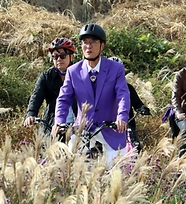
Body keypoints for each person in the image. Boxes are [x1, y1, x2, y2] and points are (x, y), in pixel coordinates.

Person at [53, 23, 131, 164]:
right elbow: (63, 99)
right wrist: (59, 121)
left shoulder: (116, 68)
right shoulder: (73, 71)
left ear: (102, 45)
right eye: (85, 42)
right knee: (72, 164)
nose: (88, 46)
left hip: (110, 127)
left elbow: (123, 94)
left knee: (115, 168)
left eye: (93, 42)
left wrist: (122, 116)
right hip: (83, 128)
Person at [23, 37, 77, 136]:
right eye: (55, 56)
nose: (59, 59)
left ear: (72, 57)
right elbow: (36, 96)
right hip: (52, 124)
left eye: (63, 56)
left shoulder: (80, 74)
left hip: (76, 125)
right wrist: (31, 114)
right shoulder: (46, 76)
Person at [107, 56, 152, 152]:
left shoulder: (128, 88)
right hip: (107, 125)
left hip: (127, 125)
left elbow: (137, 103)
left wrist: (142, 108)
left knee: (136, 148)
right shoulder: (101, 89)